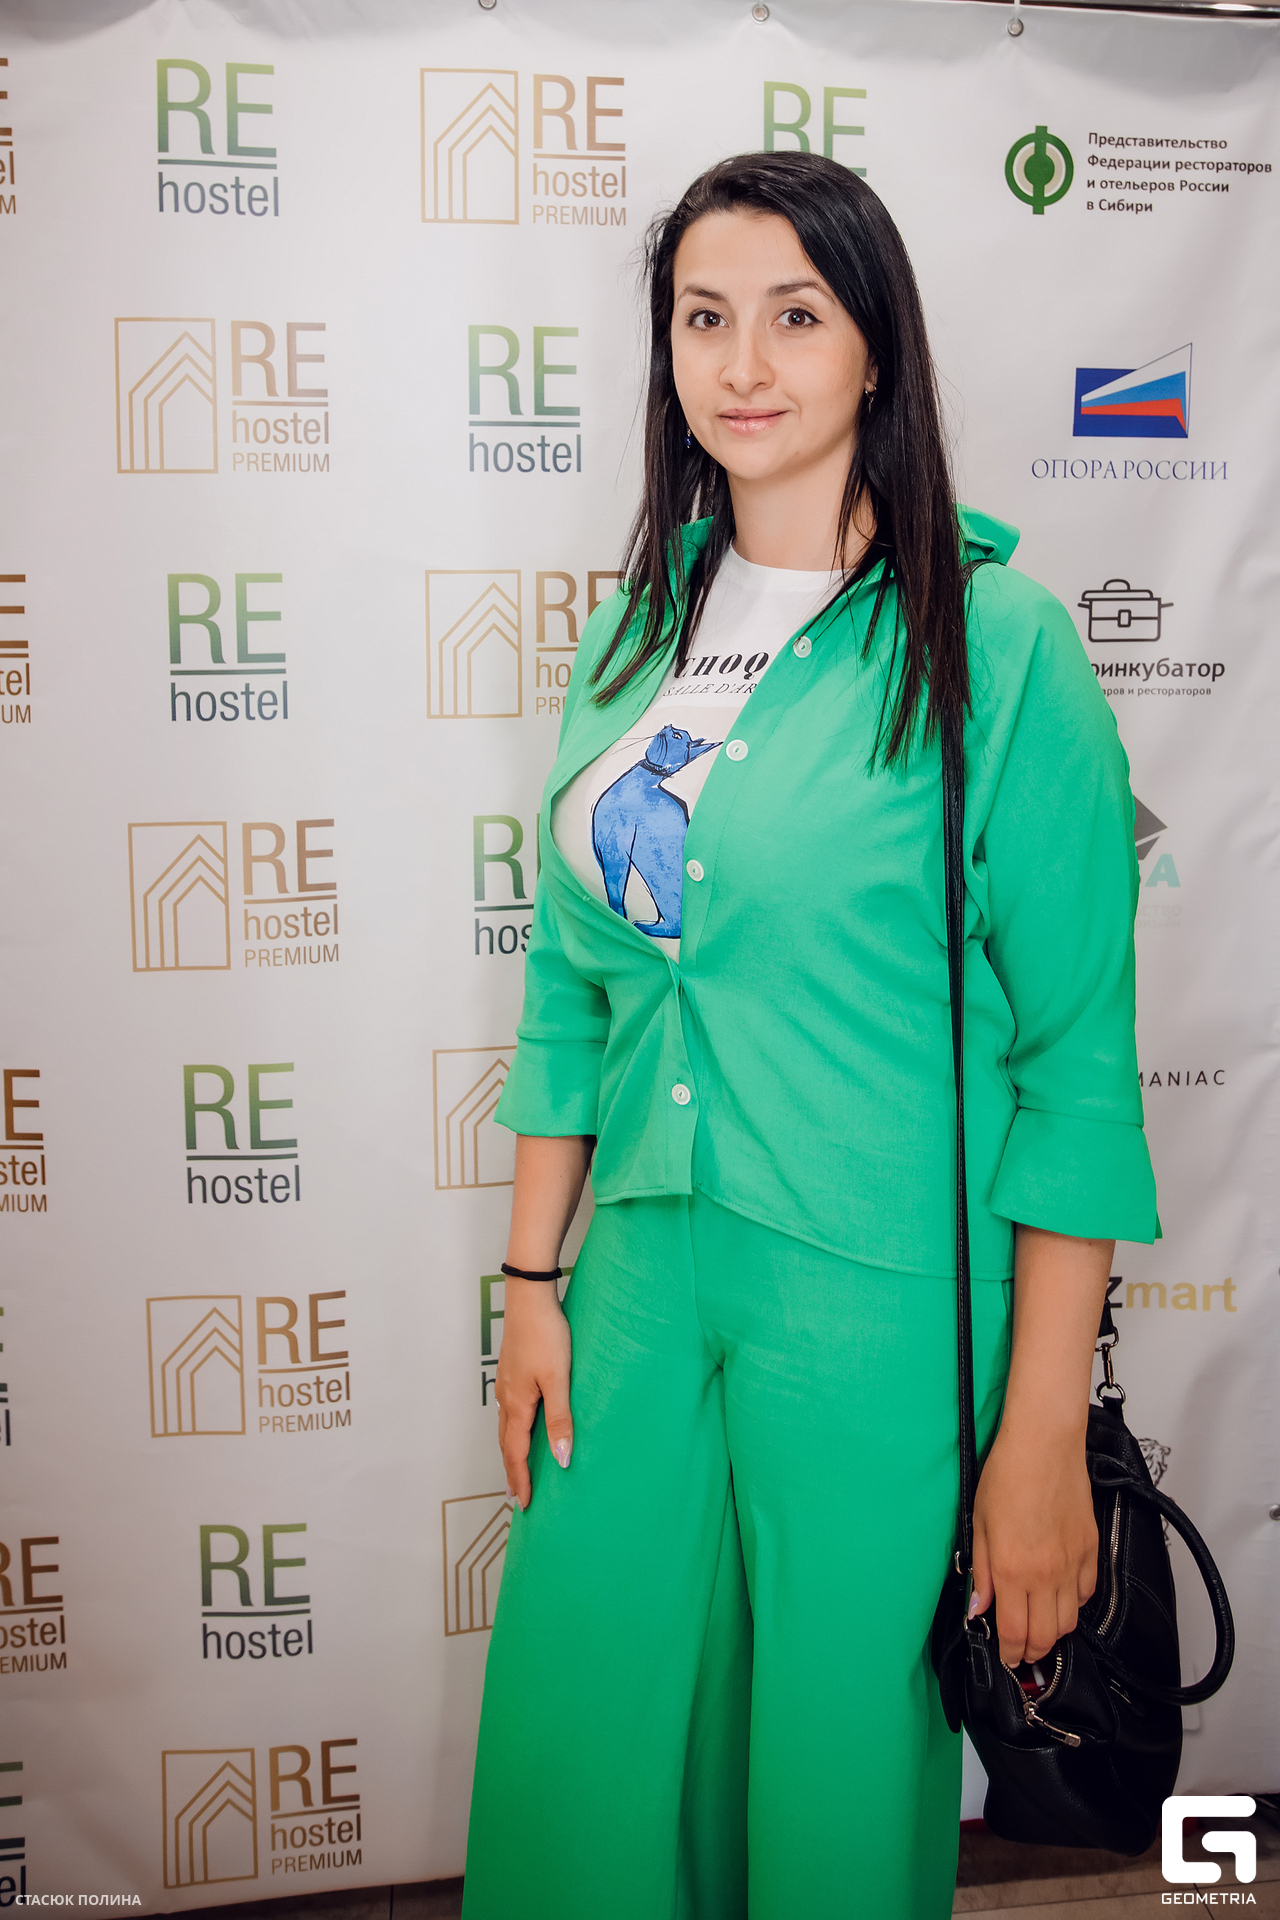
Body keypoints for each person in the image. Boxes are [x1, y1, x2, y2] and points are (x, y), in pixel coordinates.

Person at [460, 151, 1158, 1920]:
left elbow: (1076, 1070)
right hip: (633, 1285)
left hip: (880, 1307)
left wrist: (1037, 1436)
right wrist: (530, 1285)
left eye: (795, 314)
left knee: (833, 1779)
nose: (744, 362)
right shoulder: (631, 635)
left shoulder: (999, 647)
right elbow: (570, 989)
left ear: (875, 350)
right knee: (578, 1741)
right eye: (704, 318)